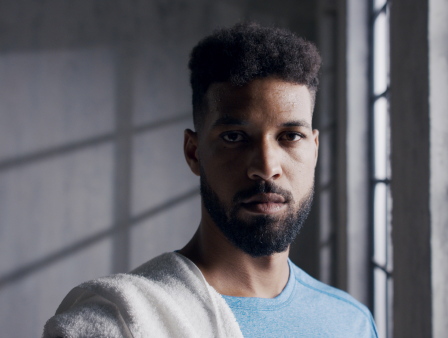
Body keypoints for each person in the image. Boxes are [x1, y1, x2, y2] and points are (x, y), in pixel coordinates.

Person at [43, 22, 378, 337]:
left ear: (314, 150)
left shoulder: (351, 322)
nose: (265, 166)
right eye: (234, 137)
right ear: (194, 153)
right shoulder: (119, 320)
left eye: (290, 136)